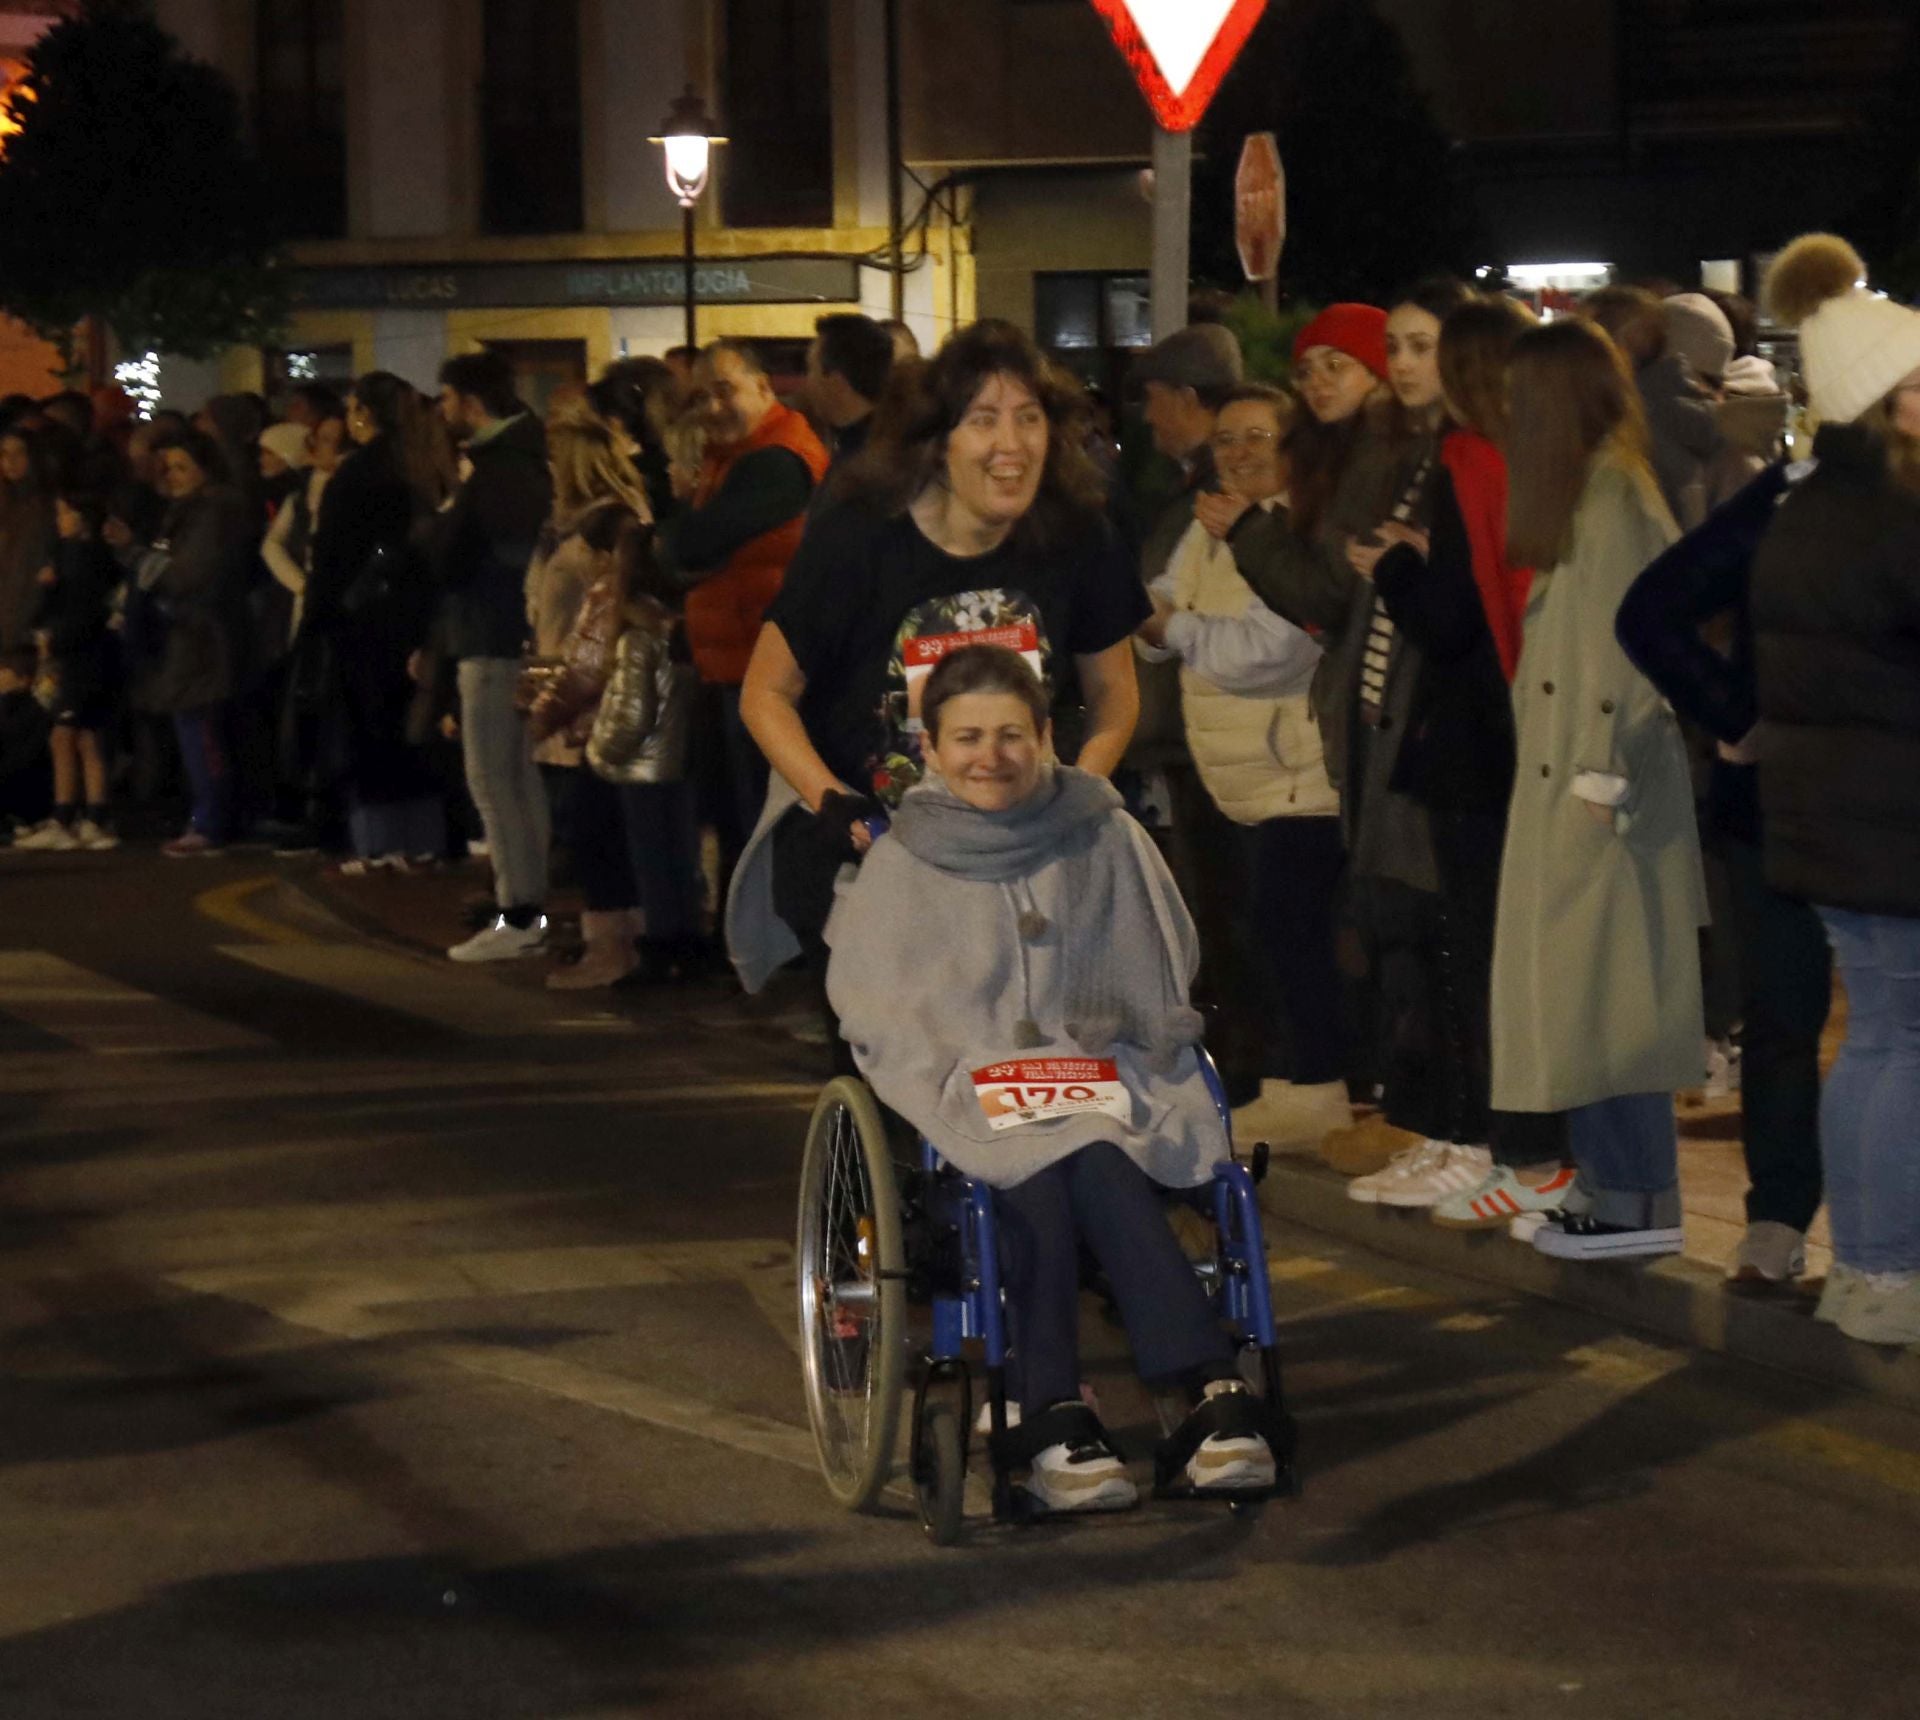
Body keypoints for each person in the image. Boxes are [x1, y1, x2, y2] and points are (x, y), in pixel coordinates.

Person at [826, 643, 1288, 1510]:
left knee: (1100, 1154)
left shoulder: (1102, 831)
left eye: (1010, 734)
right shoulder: (903, 859)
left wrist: (1109, 1047)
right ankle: (1058, 1410)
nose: (989, 756)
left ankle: (1209, 1399)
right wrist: (964, 1066)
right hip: (964, 1078)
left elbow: (1157, 962)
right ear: (930, 748)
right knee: (1030, 1174)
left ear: (1045, 735)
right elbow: (876, 1005)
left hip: (1102, 1068)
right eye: (967, 738)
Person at [732, 318, 1146, 1012]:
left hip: (1020, 854)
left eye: (1028, 418)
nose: (1010, 445)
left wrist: (1078, 797)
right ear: (937, 441)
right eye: (983, 420)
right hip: (874, 855)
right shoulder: (862, 535)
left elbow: (1116, 693)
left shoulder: (1078, 535)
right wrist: (835, 805)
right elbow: (765, 693)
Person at [1491, 318, 1707, 1261]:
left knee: (1614, 1003)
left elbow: (1638, 648)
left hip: (1601, 795)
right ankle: (1614, 1184)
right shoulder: (1592, 491)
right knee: (1591, 1000)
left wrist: (1598, 773)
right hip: (1582, 788)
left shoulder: (1611, 497)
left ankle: (1636, 1198)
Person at [1743, 233, 1920, 1343]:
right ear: (1884, 403)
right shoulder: (1896, 520)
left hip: (1833, 821)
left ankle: (1867, 1267)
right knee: (1898, 1039)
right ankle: (1886, 1271)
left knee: (1873, 1038)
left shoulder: (1803, 509)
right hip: (1894, 820)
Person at [1135, 382, 1349, 1149]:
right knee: (1254, 933)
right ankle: (1281, 1081)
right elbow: (1158, 609)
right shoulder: (1212, 524)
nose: (1239, 453)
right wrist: (1164, 625)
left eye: (1258, 436)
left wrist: (1176, 629)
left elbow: (1275, 651)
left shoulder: (1295, 527)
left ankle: (1317, 1082)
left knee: (1293, 928)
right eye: (1226, 439)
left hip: (1296, 769)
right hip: (1237, 777)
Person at [656, 339, 829, 877]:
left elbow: (689, 544)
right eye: (701, 397)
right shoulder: (736, 461)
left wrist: (670, 540)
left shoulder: (775, 461)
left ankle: (771, 950)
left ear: (763, 386)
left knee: (761, 823)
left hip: (762, 669)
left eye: (724, 391)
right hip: (738, 662)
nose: (712, 408)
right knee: (741, 819)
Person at [301, 374, 451, 871]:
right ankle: (423, 839)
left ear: (363, 413)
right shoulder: (423, 465)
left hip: (363, 618)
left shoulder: (358, 474)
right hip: (415, 614)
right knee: (412, 727)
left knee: (368, 730)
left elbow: (333, 555)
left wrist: (321, 614)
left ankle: (380, 843)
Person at [524, 416, 653, 988]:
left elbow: (595, 639)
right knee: (594, 825)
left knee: (598, 827)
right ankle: (615, 939)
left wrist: (553, 702)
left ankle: (613, 947)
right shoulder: (579, 527)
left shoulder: (606, 529)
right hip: (583, 691)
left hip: (596, 703)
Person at [434, 349, 554, 960]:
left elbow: (457, 558)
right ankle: (529, 903)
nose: (444, 410)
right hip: (516, 633)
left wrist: (442, 524)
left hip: (491, 636)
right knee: (518, 778)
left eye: (449, 399)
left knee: (493, 780)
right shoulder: (525, 460)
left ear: (471, 402)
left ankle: (519, 914)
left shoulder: (495, 472)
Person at [108, 429, 255, 857]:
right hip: (183, 638)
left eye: (182, 467)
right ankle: (205, 816)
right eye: (168, 468)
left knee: (201, 731)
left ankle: (212, 821)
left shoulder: (212, 511)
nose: (173, 476)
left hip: (202, 638)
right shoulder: (182, 511)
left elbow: (185, 574)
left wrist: (139, 557)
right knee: (191, 730)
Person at [11, 489, 121, 851]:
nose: (59, 522)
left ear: (81, 518)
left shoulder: (80, 559)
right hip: (87, 657)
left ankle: (68, 816)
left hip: (78, 659)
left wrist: (52, 638)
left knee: (65, 736)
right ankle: (92, 815)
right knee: (85, 737)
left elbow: (81, 612)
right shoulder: (89, 558)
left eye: (64, 514)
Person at [805, 312, 895, 501]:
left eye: (811, 370)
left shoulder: (866, 465)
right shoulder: (887, 439)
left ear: (837, 383)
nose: (807, 383)